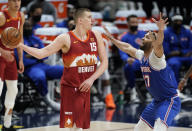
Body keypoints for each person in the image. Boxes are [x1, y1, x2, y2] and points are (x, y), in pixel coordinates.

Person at [17, 8, 108, 131]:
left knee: (79, 126)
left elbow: (104, 62)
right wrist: (20, 45)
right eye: (89, 17)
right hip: (71, 88)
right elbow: (41, 53)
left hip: (86, 86)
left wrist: (91, 79)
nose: (93, 20)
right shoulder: (65, 38)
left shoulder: (96, 35)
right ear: (80, 20)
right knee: (74, 126)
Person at [103, 13, 181, 131]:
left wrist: (160, 29)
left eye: (147, 37)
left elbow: (159, 44)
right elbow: (127, 48)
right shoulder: (142, 55)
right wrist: (112, 39)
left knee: (159, 127)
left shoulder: (156, 59)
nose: (143, 38)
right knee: (138, 129)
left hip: (169, 101)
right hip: (157, 101)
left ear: (153, 43)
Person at [22, 20, 64, 111]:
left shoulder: (36, 39)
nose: (28, 28)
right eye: (25, 26)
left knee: (67, 70)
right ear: (21, 28)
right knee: (40, 77)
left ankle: (67, 97)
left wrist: (31, 55)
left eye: (29, 26)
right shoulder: (19, 41)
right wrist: (38, 54)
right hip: (29, 67)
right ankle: (48, 101)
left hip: (42, 65)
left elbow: (45, 55)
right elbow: (23, 60)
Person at [0, 0, 25, 130]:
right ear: (8, 2)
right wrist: (2, 51)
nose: (17, 3)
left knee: (13, 90)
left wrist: (20, 59)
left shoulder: (21, 16)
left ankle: (7, 124)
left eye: (18, 0)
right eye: (14, 0)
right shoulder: (2, 17)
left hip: (11, 56)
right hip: (0, 56)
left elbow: (19, 38)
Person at [119, 15, 146, 103]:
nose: (134, 24)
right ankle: (132, 90)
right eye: (132, 22)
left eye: (136, 22)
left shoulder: (143, 34)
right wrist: (127, 59)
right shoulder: (124, 37)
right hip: (133, 61)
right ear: (128, 24)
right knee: (128, 66)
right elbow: (122, 53)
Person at [163, 15, 192, 83]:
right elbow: (167, 51)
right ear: (172, 22)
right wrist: (180, 53)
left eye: (179, 21)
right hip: (173, 58)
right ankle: (175, 87)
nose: (178, 23)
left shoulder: (187, 32)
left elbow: (191, 47)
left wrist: (181, 52)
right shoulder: (166, 32)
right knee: (174, 64)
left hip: (187, 56)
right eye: (176, 21)